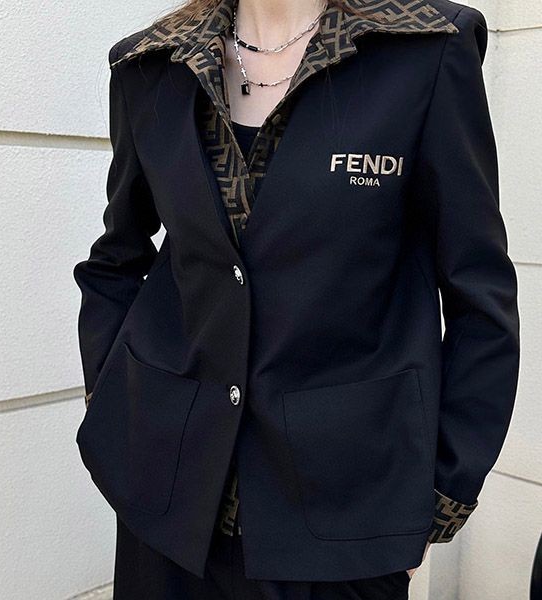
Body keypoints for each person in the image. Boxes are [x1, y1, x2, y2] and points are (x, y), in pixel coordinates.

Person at [72, 0, 520, 598]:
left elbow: (479, 296)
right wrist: (114, 406)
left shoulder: (425, 49)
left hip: (345, 525)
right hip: (167, 511)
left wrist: (441, 495)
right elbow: (116, 261)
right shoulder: (150, 64)